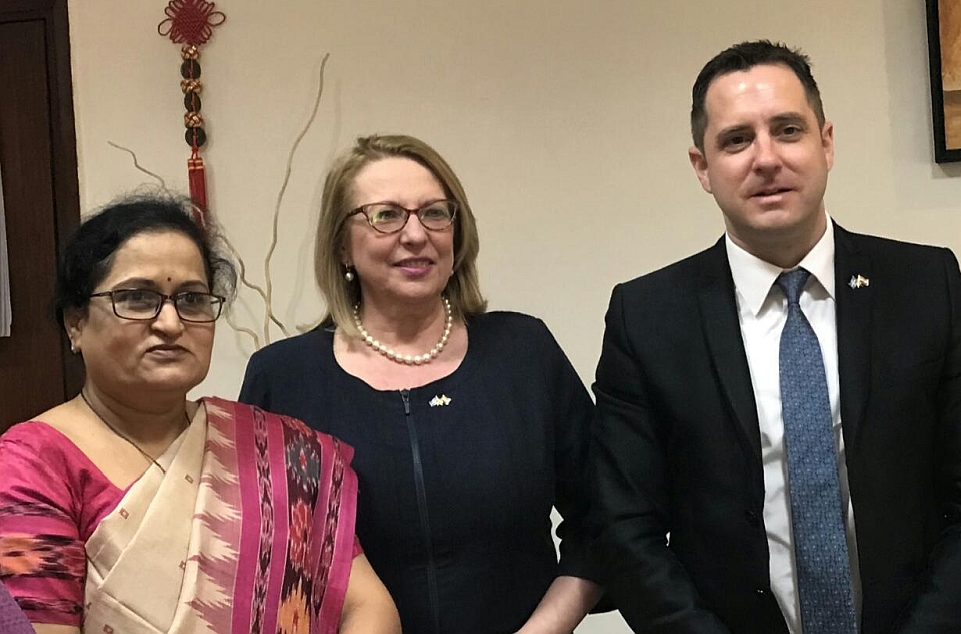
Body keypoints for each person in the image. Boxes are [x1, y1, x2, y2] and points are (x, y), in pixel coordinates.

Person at [590, 40, 961, 634]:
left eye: (787, 130)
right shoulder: (648, 318)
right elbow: (625, 528)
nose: (766, 158)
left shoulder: (926, 286)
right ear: (702, 167)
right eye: (736, 140)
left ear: (825, 143)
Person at [239, 134, 604, 633]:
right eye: (385, 215)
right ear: (342, 244)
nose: (416, 234)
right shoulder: (283, 378)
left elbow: (602, 520)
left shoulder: (523, 352)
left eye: (434, 213)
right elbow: (266, 562)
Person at [0, 195, 401, 634]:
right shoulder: (30, 465)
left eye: (191, 300)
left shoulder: (276, 452)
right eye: (137, 298)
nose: (171, 323)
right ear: (75, 323)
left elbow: (367, 606)